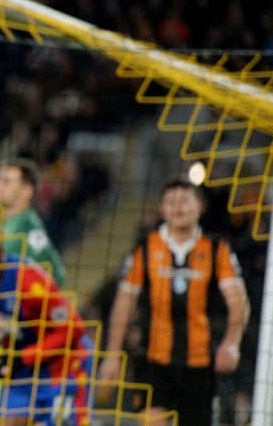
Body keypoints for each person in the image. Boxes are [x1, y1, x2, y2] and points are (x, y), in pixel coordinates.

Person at [99, 179, 250, 426]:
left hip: (200, 362)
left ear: (199, 206)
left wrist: (231, 344)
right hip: (153, 359)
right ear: (162, 208)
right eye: (171, 202)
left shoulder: (216, 249)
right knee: (151, 420)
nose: (177, 208)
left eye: (184, 201)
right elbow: (124, 302)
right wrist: (113, 354)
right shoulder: (146, 247)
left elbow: (238, 301)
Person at [0, 217, 93, 426]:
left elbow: (74, 329)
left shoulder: (28, 280)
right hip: (22, 366)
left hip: (63, 364)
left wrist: (23, 357)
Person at [0, 158, 65, 286]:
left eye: (6, 181)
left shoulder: (28, 228)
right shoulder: (5, 225)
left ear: (27, 191)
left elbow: (56, 276)